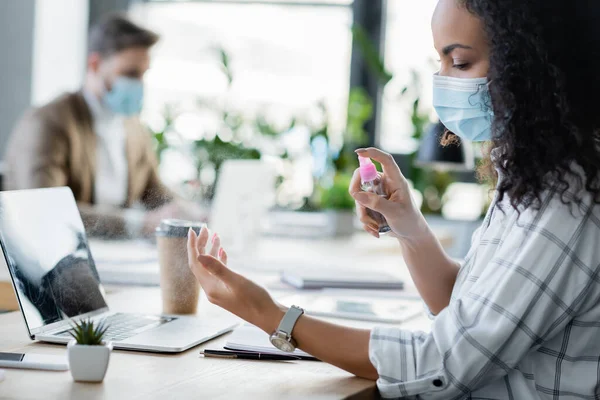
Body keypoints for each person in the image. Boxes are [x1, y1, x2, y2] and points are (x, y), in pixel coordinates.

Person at [185, 0, 600, 398]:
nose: (444, 81)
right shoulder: (537, 176)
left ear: (530, 64)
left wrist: (268, 314)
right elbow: (473, 312)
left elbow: (443, 364)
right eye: (440, 62)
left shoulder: (567, 198)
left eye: (459, 63)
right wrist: (409, 227)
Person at [5, 14, 201, 238]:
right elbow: (45, 209)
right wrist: (136, 224)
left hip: (115, 258)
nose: (139, 84)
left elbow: (154, 193)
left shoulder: (133, 127)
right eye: (130, 74)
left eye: (143, 74)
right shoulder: (48, 122)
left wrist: (191, 213)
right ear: (95, 64)